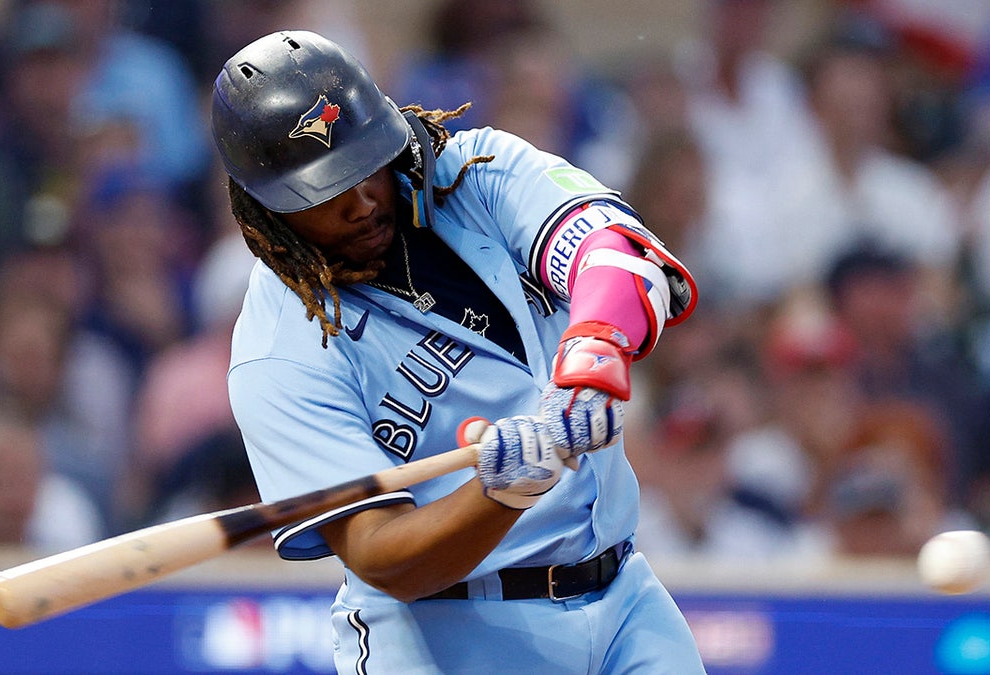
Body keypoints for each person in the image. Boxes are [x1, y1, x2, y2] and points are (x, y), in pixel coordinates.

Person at [210, 31, 703, 673]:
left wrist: (593, 357)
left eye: (367, 167)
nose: (362, 203)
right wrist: (500, 493)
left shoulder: (475, 172)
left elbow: (615, 255)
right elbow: (385, 558)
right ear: (268, 214)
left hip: (624, 600)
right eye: (326, 191)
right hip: (445, 633)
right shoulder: (277, 351)